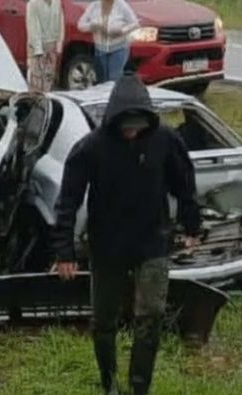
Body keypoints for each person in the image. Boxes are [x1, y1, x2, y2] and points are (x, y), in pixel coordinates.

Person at [51, 73, 202, 395]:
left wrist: (192, 226)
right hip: (107, 247)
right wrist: (64, 252)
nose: (132, 132)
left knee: (150, 318)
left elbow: (185, 186)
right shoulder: (90, 148)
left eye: (139, 126)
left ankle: (139, 387)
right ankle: (109, 383)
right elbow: (68, 201)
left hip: (153, 244)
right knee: (104, 320)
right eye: (126, 126)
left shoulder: (165, 140)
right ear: (114, 121)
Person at [78, 0, 140, 84]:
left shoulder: (121, 5)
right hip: (100, 48)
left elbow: (135, 23)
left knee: (114, 78)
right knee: (102, 79)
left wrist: (121, 31)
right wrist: (93, 26)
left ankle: (114, 98)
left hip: (118, 47)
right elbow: (80, 25)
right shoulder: (94, 6)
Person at [26, 0, 65, 92]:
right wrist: (38, 49)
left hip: (51, 44)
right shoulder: (34, 2)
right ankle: (35, 97)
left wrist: (59, 44)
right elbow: (33, 27)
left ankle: (47, 96)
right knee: (37, 77)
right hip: (39, 44)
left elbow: (60, 20)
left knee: (49, 76)